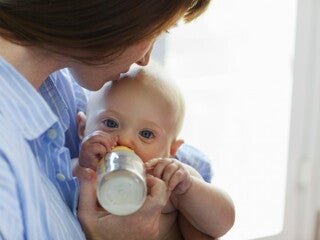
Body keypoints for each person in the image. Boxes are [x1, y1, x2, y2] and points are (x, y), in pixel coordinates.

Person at [0, 1, 213, 240]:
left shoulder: (64, 85)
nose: (144, 60)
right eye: (154, 32)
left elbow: (194, 168)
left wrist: (189, 189)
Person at [76, 63, 235, 239]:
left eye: (146, 134)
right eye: (111, 123)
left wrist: (188, 187)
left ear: (171, 150)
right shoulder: (81, 171)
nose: (125, 140)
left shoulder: (169, 180)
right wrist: (84, 165)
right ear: (83, 128)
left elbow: (222, 224)